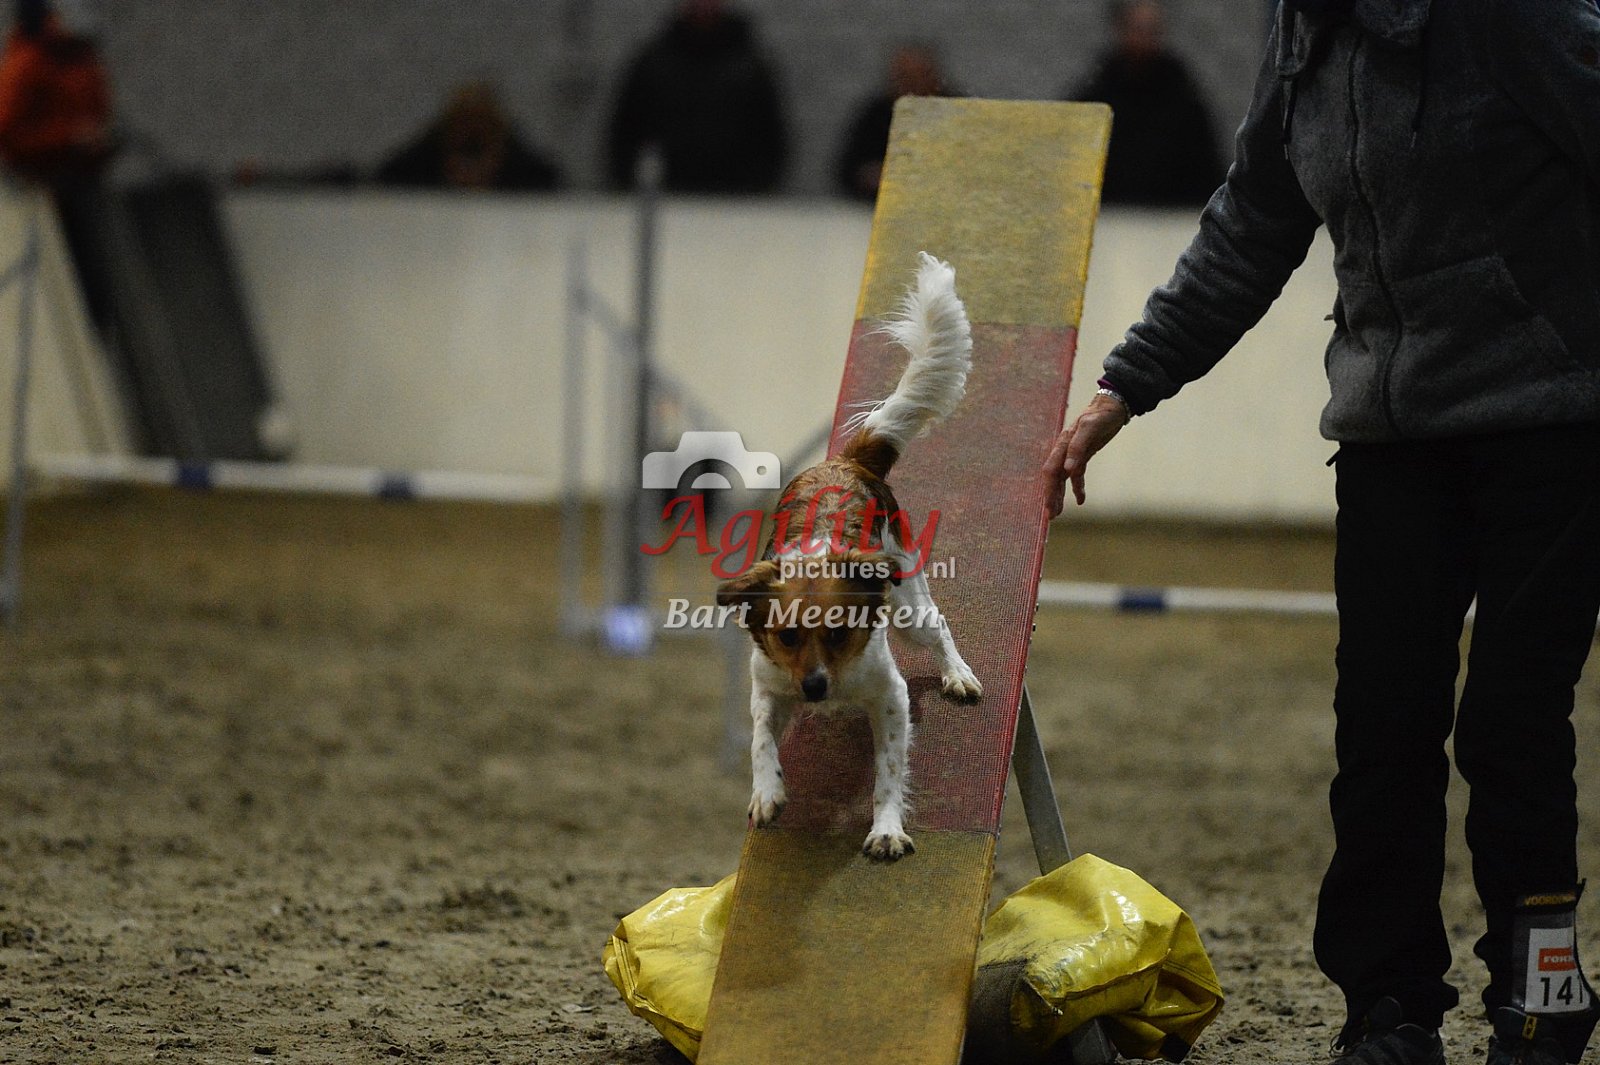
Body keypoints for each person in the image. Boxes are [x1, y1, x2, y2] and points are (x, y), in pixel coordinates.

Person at [1045, 2, 1600, 1064]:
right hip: (1392, 436)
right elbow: (1255, 218)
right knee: (1380, 731)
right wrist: (1123, 387)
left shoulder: (1510, 15)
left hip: (1551, 421)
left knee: (1512, 726)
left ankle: (1543, 999)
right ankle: (1388, 1009)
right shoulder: (1303, 30)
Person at [0, 0, 115, 331]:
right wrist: (67, 138)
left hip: (85, 175)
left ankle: (105, 318)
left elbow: (98, 107)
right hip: (52, 182)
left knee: (101, 259)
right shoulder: (27, 64)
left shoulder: (80, 57)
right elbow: (9, 136)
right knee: (77, 265)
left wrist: (96, 140)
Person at [605, 0, 787, 194]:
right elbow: (624, 134)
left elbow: (771, 140)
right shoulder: (652, 66)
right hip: (666, 196)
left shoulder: (750, 70)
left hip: (735, 199)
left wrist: (755, 188)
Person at [1068, 0, 1224, 207]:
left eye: (1152, 30)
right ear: (1120, 30)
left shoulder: (1185, 104)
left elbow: (1205, 174)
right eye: (1138, 29)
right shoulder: (1095, 99)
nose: (1144, 39)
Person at [377, 82, 563, 192]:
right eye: (464, 123)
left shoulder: (531, 177)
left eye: (482, 124)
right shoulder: (411, 172)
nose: (472, 133)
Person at [834, 43, 953, 203]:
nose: (912, 85)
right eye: (904, 77)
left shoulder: (956, 112)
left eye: (917, 76)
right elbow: (848, 170)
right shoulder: (874, 116)